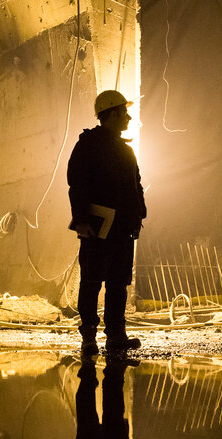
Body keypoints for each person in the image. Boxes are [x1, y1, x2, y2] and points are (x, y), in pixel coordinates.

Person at [67, 90, 147, 357]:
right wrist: (81, 220)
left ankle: (116, 336)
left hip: (122, 228)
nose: (128, 116)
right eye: (124, 112)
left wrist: (138, 217)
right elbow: (76, 185)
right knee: (92, 281)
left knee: (117, 282)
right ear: (112, 114)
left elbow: (135, 186)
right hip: (97, 227)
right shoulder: (88, 145)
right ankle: (88, 335)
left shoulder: (125, 150)